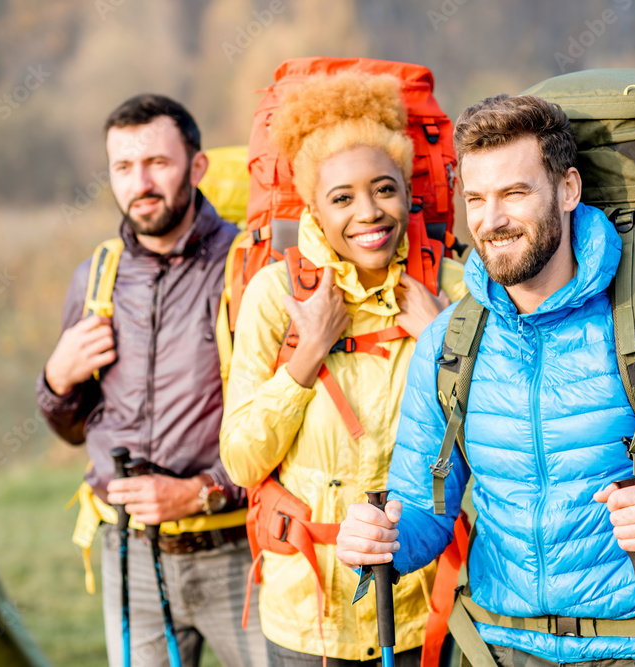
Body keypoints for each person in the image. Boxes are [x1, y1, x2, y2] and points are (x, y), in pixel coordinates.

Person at [336, 94, 635, 666]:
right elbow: (426, 510)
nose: (491, 220)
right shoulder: (449, 341)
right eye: (476, 198)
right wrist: (383, 540)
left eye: (514, 193)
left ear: (568, 190)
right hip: (499, 648)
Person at [220, 73, 468, 665]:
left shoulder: (457, 292)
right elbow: (241, 460)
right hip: (309, 622)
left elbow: (500, 447)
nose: (368, 214)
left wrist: (442, 339)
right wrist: (308, 355)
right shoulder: (275, 295)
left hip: (423, 609)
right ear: (313, 205)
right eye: (342, 198)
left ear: (408, 188)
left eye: (384, 189)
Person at [36, 94, 266, 667]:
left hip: (242, 554)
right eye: (123, 167)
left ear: (198, 165)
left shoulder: (249, 267)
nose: (140, 182)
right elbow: (73, 429)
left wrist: (198, 491)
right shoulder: (96, 276)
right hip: (133, 558)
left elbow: (284, 423)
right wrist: (56, 380)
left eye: (158, 164)